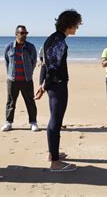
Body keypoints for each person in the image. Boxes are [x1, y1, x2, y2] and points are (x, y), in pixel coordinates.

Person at [34, 9, 82, 172]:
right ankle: (55, 162)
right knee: (56, 121)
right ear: (69, 25)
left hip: (52, 85)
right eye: (76, 24)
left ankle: (52, 153)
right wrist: (44, 86)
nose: (77, 28)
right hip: (57, 85)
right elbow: (52, 68)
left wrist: (42, 85)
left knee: (55, 119)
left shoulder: (52, 38)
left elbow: (44, 64)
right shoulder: (59, 41)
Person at [1, 25, 39, 132]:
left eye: (25, 33)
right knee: (11, 102)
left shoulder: (30, 47)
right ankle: (8, 122)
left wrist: (29, 73)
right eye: (22, 33)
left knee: (30, 102)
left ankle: (33, 122)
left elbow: (33, 62)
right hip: (12, 80)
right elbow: (7, 62)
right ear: (16, 34)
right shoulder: (9, 47)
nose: (24, 35)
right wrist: (10, 74)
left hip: (26, 80)